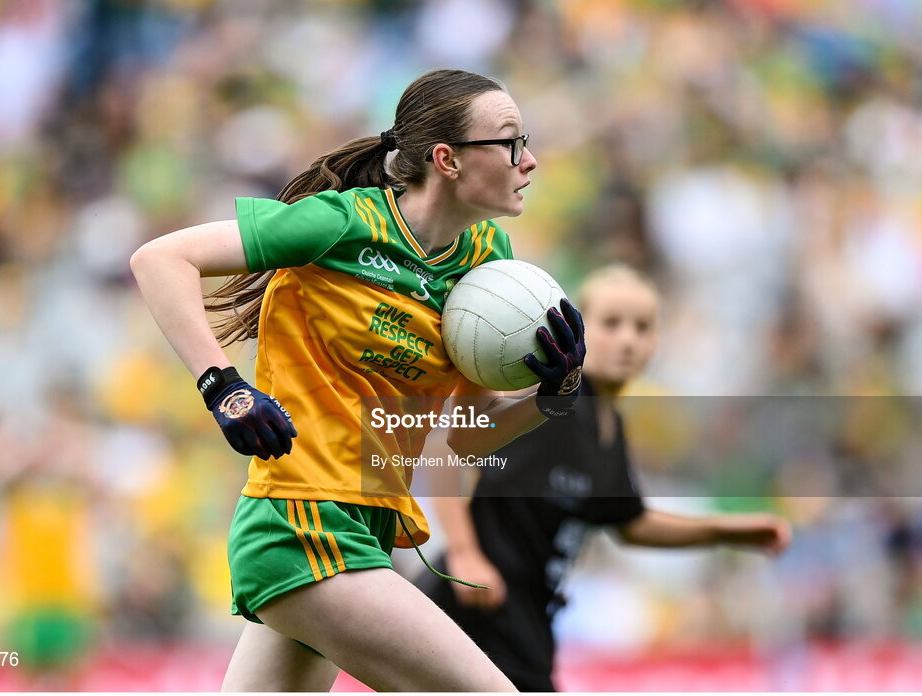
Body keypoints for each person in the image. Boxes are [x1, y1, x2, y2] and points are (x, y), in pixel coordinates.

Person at [129, 68, 588, 692]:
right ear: (447, 159)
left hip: (365, 530)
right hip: (303, 524)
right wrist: (222, 385)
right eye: (509, 141)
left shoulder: (488, 260)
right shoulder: (341, 224)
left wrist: (550, 396)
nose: (528, 160)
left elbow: (466, 438)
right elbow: (160, 259)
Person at [417, 264, 792, 692]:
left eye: (642, 327)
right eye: (611, 324)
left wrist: (729, 532)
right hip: (477, 608)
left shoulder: (608, 428)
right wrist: (466, 554)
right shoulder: (555, 409)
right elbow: (449, 451)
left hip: (526, 618)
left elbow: (629, 523)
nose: (628, 339)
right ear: (579, 332)